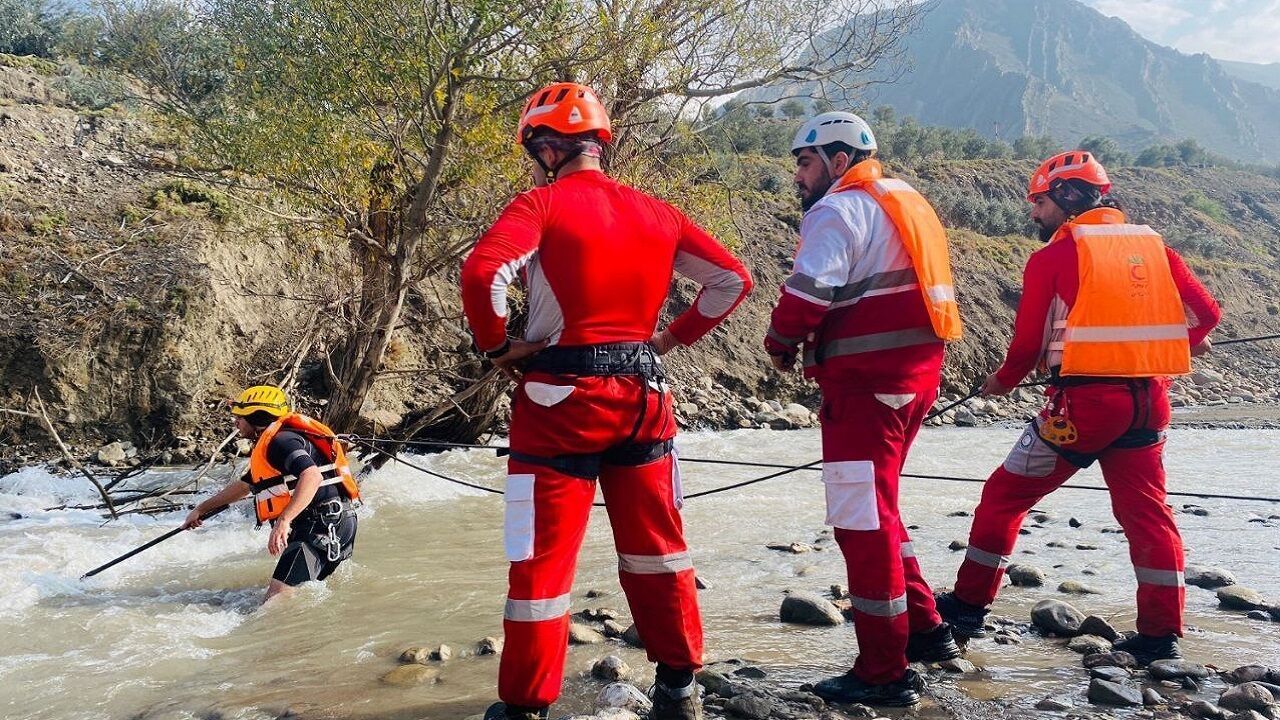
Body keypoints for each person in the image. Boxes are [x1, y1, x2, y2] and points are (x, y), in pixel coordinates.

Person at [460, 82, 752, 720]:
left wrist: (496, 348)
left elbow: (484, 273)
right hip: (645, 397)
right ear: (599, 140)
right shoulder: (660, 212)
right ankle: (678, 687)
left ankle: (526, 705)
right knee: (658, 547)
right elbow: (734, 281)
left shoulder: (540, 204)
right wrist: (672, 338)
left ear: (546, 144)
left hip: (558, 403)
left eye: (535, 145)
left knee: (540, 560)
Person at [935, 151, 1222, 665]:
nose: (1034, 214)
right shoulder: (1156, 248)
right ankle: (1160, 637)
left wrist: (998, 384)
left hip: (1084, 409)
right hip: (1150, 403)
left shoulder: (1053, 257)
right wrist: (1188, 340)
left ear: (1066, 197)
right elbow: (1209, 314)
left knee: (1005, 496)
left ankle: (966, 610)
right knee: (1149, 517)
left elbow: (1025, 349)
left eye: (1039, 201)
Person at [764, 111, 965, 707]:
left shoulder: (839, 208)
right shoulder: (908, 200)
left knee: (861, 523)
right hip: (914, 380)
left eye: (804, 163)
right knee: (883, 509)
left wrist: (779, 343)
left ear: (838, 161)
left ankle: (883, 669)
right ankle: (926, 632)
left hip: (864, 388)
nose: (798, 177)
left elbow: (808, 290)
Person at [182, 385, 359, 601]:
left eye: (241, 417)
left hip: (320, 524)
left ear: (257, 417)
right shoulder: (276, 442)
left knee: (277, 599)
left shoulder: (280, 441)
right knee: (303, 595)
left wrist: (284, 520)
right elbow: (245, 485)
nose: (235, 423)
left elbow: (312, 476)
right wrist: (201, 509)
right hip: (338, 522)